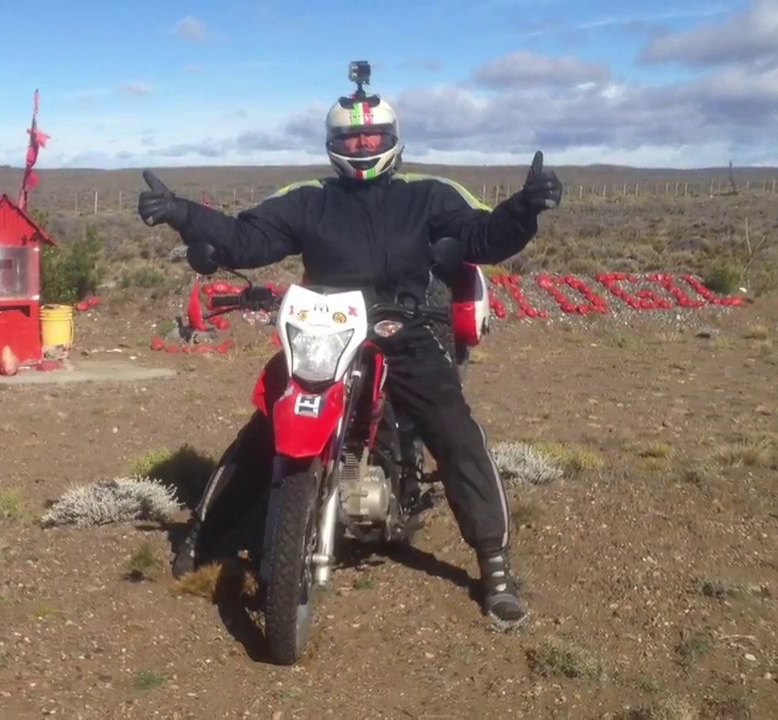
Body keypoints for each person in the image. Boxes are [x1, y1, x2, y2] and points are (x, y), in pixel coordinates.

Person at [136, 85, 562, 628]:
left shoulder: (429, 194)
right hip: (324, 331)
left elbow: (481, 235)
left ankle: (495, 565)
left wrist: (524, 209)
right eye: (350, 136)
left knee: (454, 431)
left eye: (372, 135)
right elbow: (248, 239)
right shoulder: (308, 197)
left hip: (403, 329)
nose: (362, 145)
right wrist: (182, 214)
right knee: (266, 426)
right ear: (333, 143)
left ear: (392, 139)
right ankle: (201, 533)